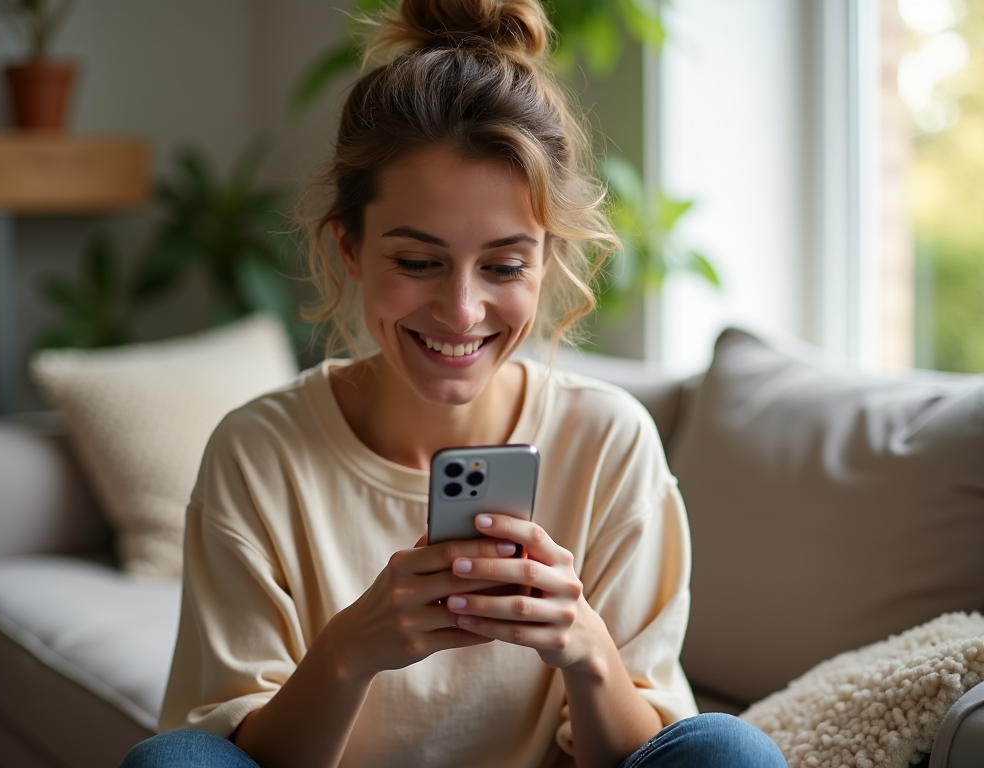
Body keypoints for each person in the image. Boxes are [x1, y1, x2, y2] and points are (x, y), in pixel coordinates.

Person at [121, 0, 788, 766]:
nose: (461, 311)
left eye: (504, 265)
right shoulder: (261, 451)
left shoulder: (608, 440)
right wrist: (349, 651)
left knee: (729, 750)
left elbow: (645, 758)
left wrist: (586, 651)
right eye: (417, 261)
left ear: (547, 262)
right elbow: (240, 755)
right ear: (349, 246)